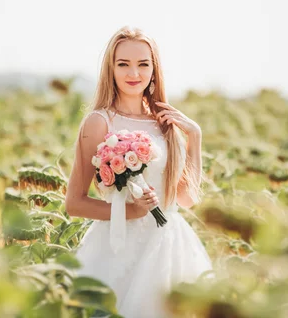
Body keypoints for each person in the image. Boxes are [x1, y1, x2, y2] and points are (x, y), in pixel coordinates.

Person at [64, 26, 213, 318]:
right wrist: (130, 212)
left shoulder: (165, 124)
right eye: (124, 64)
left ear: (154, 70)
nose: (134, 73)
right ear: (111, 69)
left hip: (170, 247)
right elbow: (74, 203)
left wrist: (194, 137)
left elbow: (185, 199)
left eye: (143, 64)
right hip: (116, 249)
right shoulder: (99, 122)